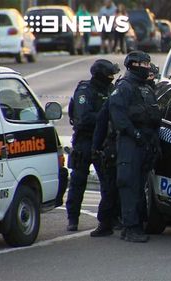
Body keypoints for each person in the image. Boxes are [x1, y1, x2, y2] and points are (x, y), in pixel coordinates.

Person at [109, 51, 161, 243]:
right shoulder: (124, 87)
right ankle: (130, 228)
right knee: (129, 185)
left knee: (139, 186)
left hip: (145, 143)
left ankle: (136, 225)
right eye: (144, 63)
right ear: (133, 65)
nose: (147, 66)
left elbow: (154, 116)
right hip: (130, 143)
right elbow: (119, 118)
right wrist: (136, 135)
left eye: (148, 63)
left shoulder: (145, 88)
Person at [66, 59, 120, 231]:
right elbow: (84, 118)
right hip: (84, 141)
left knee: (108, 182)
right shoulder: (84, 91)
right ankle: (72, 219)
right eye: (109, 75)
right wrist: (105, 118)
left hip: (103, 141)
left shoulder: (111, 90)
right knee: (78, 180)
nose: (112, 78)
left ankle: (108, 219)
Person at [90, 91, 121, 237]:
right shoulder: (115, 98)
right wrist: (96, 148)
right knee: (110, 188)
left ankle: (123, 221)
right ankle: (106, 222)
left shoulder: (142, 94)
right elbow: (101, 124)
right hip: (114, 150)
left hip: (131, 149)